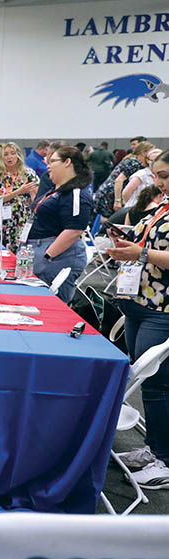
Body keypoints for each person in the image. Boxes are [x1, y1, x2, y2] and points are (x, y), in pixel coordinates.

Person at [103, 149, 169, 488]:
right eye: (157, 175)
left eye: (166, 176)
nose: (160, 182)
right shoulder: (161, 205)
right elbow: (143, 237)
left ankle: (165, 460)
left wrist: (140, 252)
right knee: (145, 381)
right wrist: (123, 242)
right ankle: (152, 448)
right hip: (138, 302)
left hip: (163, 309)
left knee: (158, 386)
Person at [24, 146, 93, 303]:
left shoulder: (76, 193)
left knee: (50, 304)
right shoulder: (57, 191)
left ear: (67, 162)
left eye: (52, 161)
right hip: (42, 251)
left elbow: (75, 229)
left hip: (57, 256)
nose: (48, 165)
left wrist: (48, 255)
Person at [0, 142, 40, 253]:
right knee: (1, 252)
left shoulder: (29, 174)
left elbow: (37, 199)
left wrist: (32, 194)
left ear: (18, 155)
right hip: (2, 219)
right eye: (6, 154)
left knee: (21, 251)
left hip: (22, 218)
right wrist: (19, 191)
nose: (9, 157)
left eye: (12, 153)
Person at [96, 142, 157, 218]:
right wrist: (118, 200)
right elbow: (119, 180)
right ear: (144, 152)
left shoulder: (132, 159)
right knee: (111, 220)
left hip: (109, 192)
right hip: (112, 193)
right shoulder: (134, 162)